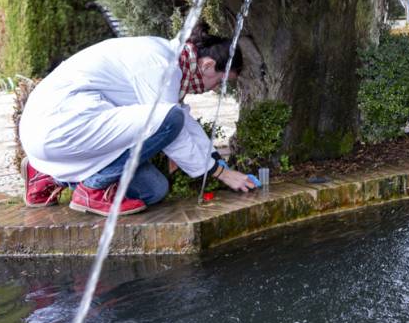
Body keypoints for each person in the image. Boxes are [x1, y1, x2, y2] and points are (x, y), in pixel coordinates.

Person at [19, 28, 258, 216]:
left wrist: (218, 164)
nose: (216, 89)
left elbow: (183, 121)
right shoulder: (161, 64)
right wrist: (220, 174)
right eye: (219, 81)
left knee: (153, 190)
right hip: (58, 124)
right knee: (168, 119)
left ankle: (46, 174)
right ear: (207, 65)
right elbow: (170, 124)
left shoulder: (175, 64)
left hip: (64, 135)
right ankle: (93, 189)